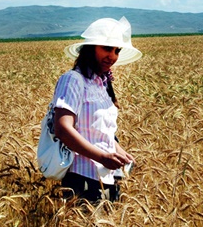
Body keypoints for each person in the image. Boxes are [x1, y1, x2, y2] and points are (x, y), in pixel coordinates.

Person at [51, 16, 142, 203]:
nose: (113, 56)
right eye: (107, 48)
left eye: (117, 50)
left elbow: (98, 131)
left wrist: (118, 151)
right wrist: (102, 157)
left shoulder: (101, 84)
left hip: (107, 177)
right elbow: (62, 128)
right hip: (82, 178)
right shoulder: (73, 80)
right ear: (91, 48)